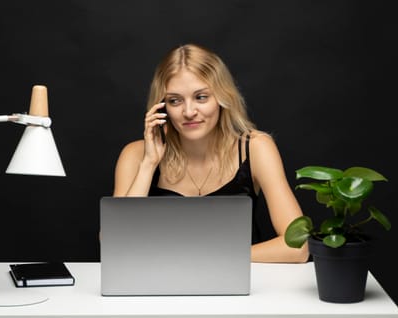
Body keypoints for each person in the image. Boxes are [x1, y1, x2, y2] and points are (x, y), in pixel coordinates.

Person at [113, 43, 309, 263]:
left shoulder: (256, 147)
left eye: (201, 97)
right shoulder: (136, 154)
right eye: (175, 101)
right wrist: (149, 164)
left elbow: (298, 247)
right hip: (160, 288)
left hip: (240, 287)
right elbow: (117, 243)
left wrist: (210, 258)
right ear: (161, 107)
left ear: (222, 98)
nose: (188, 112)